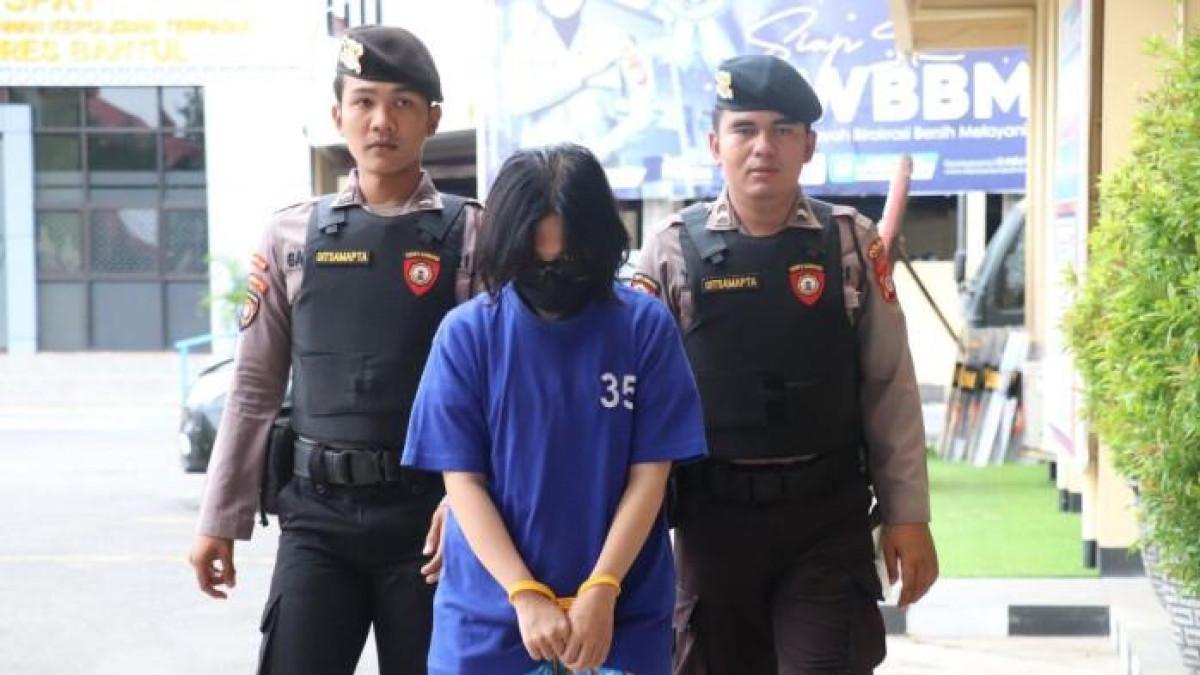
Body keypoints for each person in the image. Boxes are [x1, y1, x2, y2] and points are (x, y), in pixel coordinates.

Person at [186, 25, 482, 675]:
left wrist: (470, 500)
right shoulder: (291, 234)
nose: (382, 121)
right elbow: (255, 385)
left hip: (432, 521)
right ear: (336, 114)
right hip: (317, 520)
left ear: (433, 119)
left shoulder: (474, 235)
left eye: (402, 103)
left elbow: (501, 390)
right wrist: (219, 517)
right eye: (364, 101)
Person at [632, 54, 940, 674]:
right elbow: (637, 402)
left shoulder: (851, 243)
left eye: (783, 130)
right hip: (713, 527)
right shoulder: (669, 252)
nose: (763, 147)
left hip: (825, 522)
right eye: (744, 129)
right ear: (715, 144)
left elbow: (889, 386)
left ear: (809, 146)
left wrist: (908, 514)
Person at [402, 144, 707, 675]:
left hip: (623, 616)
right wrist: (524, 593)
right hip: (488, 620)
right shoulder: (467, 336)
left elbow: (650, 477)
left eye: (568, 263)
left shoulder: (644, 328)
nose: (552, 278)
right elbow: (463, 482)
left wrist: (603, 587)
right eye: (534, 264)